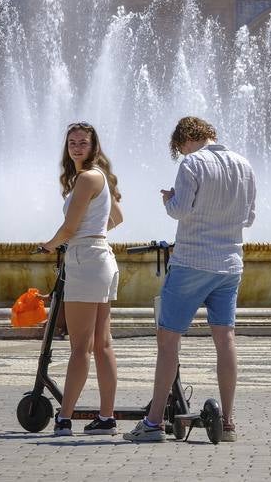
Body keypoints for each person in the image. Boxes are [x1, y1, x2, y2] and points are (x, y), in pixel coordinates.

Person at [123, 116, 256, 444]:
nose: (181, 152)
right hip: (229, 265)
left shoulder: (192, 164)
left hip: (192, 262)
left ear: (184, 141)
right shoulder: (244, 165)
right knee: (225, 340)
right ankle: (227, 423)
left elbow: (179, 211)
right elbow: (250, 218)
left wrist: (169, 199)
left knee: (169, 341)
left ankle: (153, 423)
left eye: (179, 148)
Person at [41, 121, 123, 436]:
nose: (77, 147)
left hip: (85, 261)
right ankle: (106, 418)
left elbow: (69, 228)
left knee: (80, 348)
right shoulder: (96, 176)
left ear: (93, 146)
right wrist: (95, 229)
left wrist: (48, 246)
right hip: (101, 258)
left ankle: (64, 419)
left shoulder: (87, 178)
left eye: (83, 143)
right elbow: (117, 217)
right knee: (102, 345)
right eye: (72, 142)